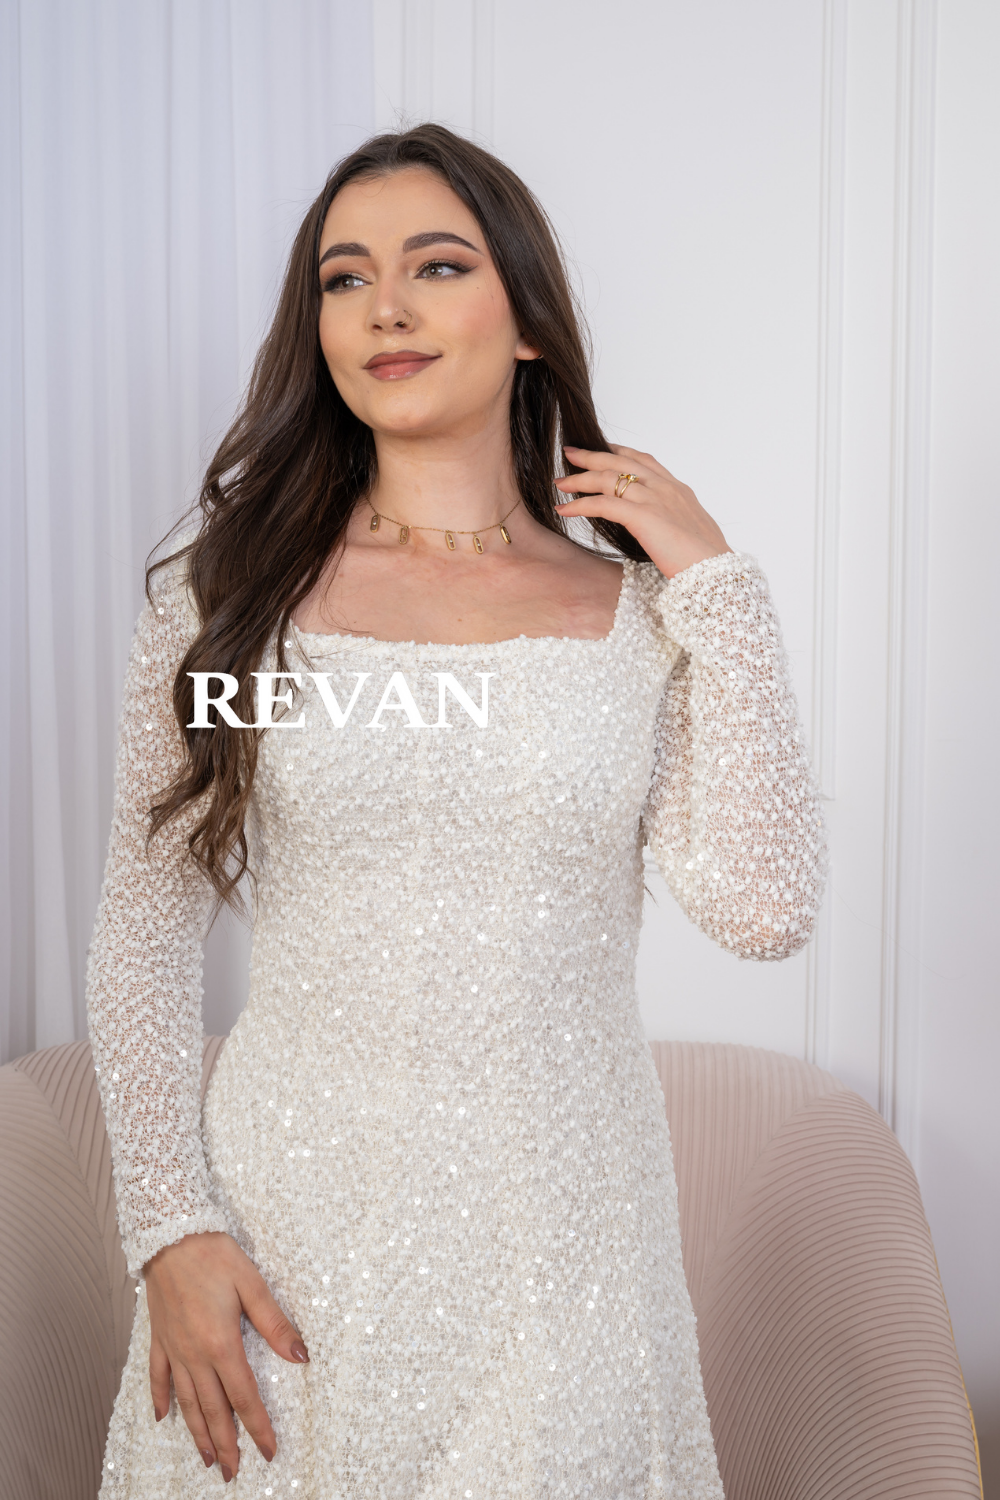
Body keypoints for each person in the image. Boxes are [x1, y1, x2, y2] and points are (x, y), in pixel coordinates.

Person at [87, 123, 827, 1499]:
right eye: (344, 278)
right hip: (282, 1250)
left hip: (564, 1268)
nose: (386, 308)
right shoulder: (225, 604)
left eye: (436, 265)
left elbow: (764, 909)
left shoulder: (643, 622)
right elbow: (144, 931)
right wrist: (169, 1232)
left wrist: (723, 591)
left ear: (528, 318)